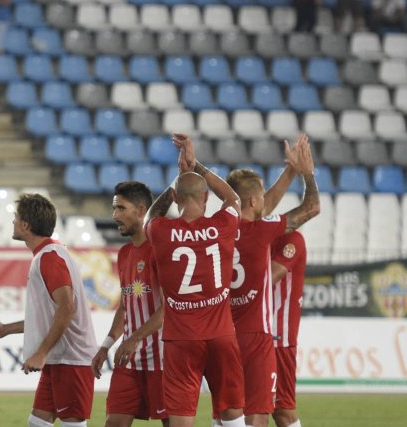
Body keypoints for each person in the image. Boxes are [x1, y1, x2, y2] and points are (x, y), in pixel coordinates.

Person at [144, 134, 244, 427]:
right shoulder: (222, 226)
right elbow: (233, 198)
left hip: (180, 339)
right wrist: (196, 166)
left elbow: (152, 215)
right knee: (231, 412)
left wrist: (178, 179)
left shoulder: (160, 232)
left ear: (175, 198)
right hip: (221, 335)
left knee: (182, 417)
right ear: (206, 198)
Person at [222, 138, 319, 427]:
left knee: (228, 411)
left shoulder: (219, 228)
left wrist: (289, 171)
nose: (267, 200)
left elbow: (257, 209)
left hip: (223, 333)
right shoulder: (265, 232)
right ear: (253, 201)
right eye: (262, 195)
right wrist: (306, 173)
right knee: (264, 411)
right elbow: (312, 207)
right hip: (261, 335)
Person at [0, 193, 97, 427]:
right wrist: (6, 329)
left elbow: (66, 308)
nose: (13, 223)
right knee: (38, 422)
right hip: (59, 358)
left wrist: (41, 352)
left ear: (25, 225)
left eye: (15, 218)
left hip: (71, 359)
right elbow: (47, 317)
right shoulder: (49, 254)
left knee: (72, 423)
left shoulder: (50, 258)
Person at [93, 181, 167, 427]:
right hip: (130, 360)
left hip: (162, 359)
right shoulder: (124, 254)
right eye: (114, 209)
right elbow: (126, 306)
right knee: (113, 422)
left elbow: (168, 309)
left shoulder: (160, 251)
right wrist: (105, 346)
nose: (115, 216)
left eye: (120, 209)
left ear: (140, 209)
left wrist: (134, 338)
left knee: (172, 423)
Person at [270, 230, 306, 427]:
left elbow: (271, 276)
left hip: (277, 338)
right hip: (242, 333)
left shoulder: (290, 239)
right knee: (230, 406)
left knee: (282, 409)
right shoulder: (238, 232)